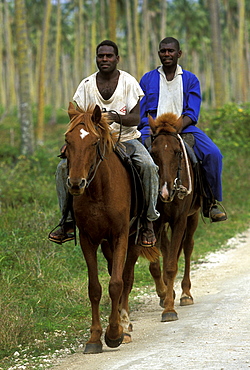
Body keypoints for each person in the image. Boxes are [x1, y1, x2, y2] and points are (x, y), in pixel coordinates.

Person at [49, 40, 160, 246]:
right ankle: (67, 221)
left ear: (117, 58)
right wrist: (74, 144)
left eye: (109, 56)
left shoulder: (129, 83)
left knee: (149, 167)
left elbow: (136, 119)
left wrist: (114, 117)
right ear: (96, 58)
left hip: (125, 139)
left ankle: (148, 221)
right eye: (101, 56)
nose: (105, 59)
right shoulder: (86, 85)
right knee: (62, 169)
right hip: (94, 142)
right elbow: (77, 120)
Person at [139, 36, 227, 222]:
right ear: (158, 54)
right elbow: (142, 110)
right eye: (163, 51)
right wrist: (150, 127)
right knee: (137, 157)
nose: (167, 54)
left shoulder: (190, 79)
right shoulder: (147, 79)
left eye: (171, 51)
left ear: (179, 54)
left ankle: (210, 202)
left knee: (213, 154)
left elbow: (192, 112)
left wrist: (177, 126)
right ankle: (137, 204)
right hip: (153, 129)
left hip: (184, 128)